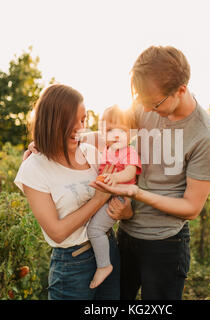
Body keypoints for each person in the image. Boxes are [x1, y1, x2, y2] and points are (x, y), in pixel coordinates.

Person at [90, 46, 210, 300]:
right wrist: (57, 142)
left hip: (166, 245)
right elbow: (112, 135)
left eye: (155, 103)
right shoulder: (146, 105)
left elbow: (191, 208)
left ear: (181, 90)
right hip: (126, 233)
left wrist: (136, 192)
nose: (146, 110)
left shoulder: (206, 136)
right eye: (142, 101)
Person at [14, 84, 121, 300]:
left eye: (83, 120)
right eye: (71, 121)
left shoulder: (90, 153)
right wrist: (99, 200)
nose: (80, 127)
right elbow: (57, 232)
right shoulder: (34, 168)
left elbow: (111, 137)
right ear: (53, 122)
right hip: (73, 266)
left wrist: (122, 211)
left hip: (108, 253)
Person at [87, 105, 142, 289]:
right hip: (107, 195)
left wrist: (115, 178)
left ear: (131, 134)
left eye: (122, 130)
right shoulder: (107, 151)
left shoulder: (129, 152)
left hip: (118, 198)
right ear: (102, 132)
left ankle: (104, 265)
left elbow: (130, 172)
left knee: (95, 229)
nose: (116, 135)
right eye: (110, 130)